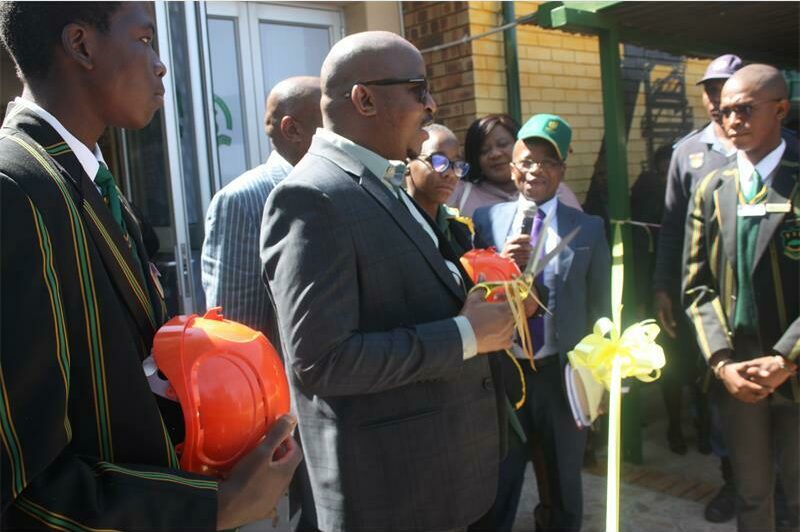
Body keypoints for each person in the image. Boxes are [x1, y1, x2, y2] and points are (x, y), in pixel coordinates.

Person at [0, 3, 301, 529]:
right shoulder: (14, 188)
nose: (160, 64)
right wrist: (212, 507)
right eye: (143, 39)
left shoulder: (84, 178)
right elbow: (24, 484)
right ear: (81, 45)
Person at [260, 31, 524, 532]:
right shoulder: (312, 196)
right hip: (392, 497)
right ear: (364, 99)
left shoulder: (384, 179)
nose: (432, 104)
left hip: (435, 481)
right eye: (418, 89)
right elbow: (322, 361)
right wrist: (466, 335)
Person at [473, 114, 611, 531]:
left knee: (563, 482)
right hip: (505, 373)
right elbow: (473, 294)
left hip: (561, 375)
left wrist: (601, 381)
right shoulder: (486, 222)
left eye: (548, 162)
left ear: (562, 170)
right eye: (528, 161)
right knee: (497, 480)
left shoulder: (588, 228)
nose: (536, 170)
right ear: (513, 166)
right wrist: (502, 265)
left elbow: (600, 310)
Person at [682, 64, 799, 532]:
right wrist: (721, 363)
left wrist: (786, 358)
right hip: (741, 373)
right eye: (725, 111)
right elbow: (696, 285)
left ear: (781, 110)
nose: (732, 120)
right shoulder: (711, 189)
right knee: (752, 495)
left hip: (794, 366)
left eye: (745, 109)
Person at [653, 53, 742, 522]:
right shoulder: (687, 152)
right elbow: (672, 226)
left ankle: (783, 486)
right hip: (707, 298)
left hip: (769, 293)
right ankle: (734, 482)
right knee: (720, 391)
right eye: (709, 89)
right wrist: (663, 287)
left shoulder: (780, 146)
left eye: (724, 88)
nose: (716, 98)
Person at [202, 76, 321, 340]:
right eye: (329, 123)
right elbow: (235, 331)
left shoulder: (335, 188)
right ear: (292, 130)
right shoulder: (242, 200)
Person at [448, 113, 581, 218]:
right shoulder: (461, 194)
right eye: (484, 151)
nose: (495, 154)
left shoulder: (558, 192)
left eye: (503, 144)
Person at [405, 123, 473, 256]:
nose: (450, 174)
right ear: (407, 162)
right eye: (438, 161)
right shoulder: (393, 218)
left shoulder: (461, 229)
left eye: (456, 165)